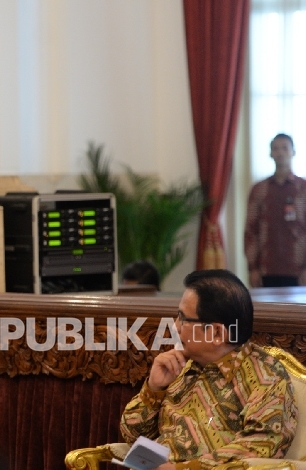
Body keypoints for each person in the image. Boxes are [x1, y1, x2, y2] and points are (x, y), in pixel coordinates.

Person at [120, 269, 297, 470]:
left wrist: (183, 469)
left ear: (216, 333)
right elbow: (131, 434)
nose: (175, 326)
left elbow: (260, 448)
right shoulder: (182, 366)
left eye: (183, 318)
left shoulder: (266, 377)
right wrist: (154, 389)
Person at [244, 133, 306, 287]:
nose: (280, 152)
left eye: (285, 148)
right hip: (266, 270)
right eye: (276, 148)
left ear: (293, 152)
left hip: (298, 271)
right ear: (270, 153)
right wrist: (253, 268)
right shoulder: (259, 189)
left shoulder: (303, 188)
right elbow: (251, 231)